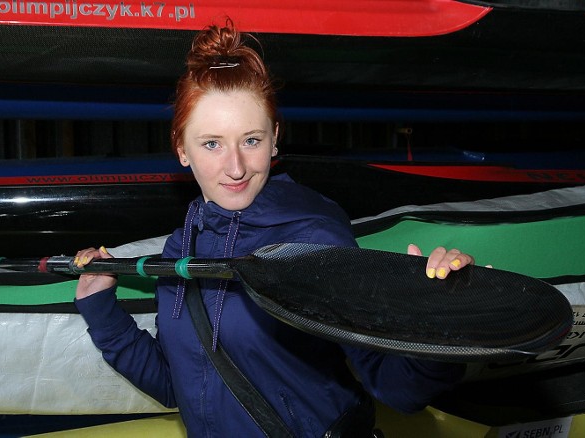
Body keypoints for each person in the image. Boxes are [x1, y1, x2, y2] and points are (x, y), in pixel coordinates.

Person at [73, 19, 475, 437]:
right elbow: (180, 388)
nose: (236, 168)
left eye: (251, 140)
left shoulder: (312, 241)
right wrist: (102, 311)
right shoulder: (181, 249)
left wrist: (436, 323)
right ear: (181, 149)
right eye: (212, 143)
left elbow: (399, 388)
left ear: (275, 139)